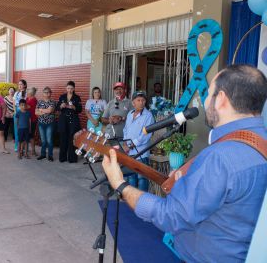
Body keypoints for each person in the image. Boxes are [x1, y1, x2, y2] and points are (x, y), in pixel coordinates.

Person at [102, 65, 267, 262]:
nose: (205, 102)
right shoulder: (257, 142)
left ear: (221, 99)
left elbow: (171, 216)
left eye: (208, 94)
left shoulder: (220, 157)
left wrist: (121, 184)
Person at [122, 91, 154, 191]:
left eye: (143, 100)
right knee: (131, 177)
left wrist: (130, 145)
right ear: (133, 102)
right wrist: (124, 143)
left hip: (141, 153)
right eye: (138, 100)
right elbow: (125, 130)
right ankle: (132, 201)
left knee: (142, 178)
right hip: (129, 152)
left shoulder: (148, 116)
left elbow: (145, 136)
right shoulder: (130, 114)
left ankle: (142, 203)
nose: (141, 102)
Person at [56, 81, 82, 163]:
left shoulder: (77, 98)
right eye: (68, 88)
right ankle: (62, 158)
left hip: (73, 121)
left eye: (71, 88)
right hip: (63, 120)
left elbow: (80, 110)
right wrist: (61, 106)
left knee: (72, 139)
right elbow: (57, 108)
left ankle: (72, 158)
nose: (69, 90)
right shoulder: (62, 97)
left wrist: (74, 107)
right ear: (66, 88)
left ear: (74, 89)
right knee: (63, 139)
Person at [35, 87, 56, 161]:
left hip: (50, 123)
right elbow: (36, 112)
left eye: (48, 92)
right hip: (41, 123)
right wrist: (44, 111)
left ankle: (50, 155)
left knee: (49, 140)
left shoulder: (53, 102)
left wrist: (41, 110)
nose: (47, 94)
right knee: (43, 140)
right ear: (43, 93)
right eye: (45, 92)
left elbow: (50, 111)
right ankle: (43, 154)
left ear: (50, 93)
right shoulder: (39, 102)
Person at [13, 79, 27, 152]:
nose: (20, 85)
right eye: (19, 84)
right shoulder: (16, 93)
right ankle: (17, 146)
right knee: (16, 130)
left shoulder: (27, 93)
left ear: (24, 85)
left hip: (24, 113)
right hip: (17, 112)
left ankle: (23, 147)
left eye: (21, 84)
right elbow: (14, 103)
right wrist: (15, 112)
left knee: (24, 130)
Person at [26, 87, 38, 156]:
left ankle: (33, 150)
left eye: (28, 91)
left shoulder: (34, 100)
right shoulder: (27, 98)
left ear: (31, 93)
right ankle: (27, 149)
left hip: (32, 119)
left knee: (31, 135)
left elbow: (25, 107)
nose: (27, 93)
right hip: (26, 119)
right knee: (27, 134)